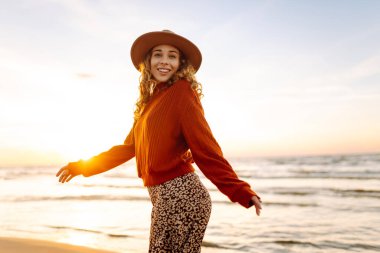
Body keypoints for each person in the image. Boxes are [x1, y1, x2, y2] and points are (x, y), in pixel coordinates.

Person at [56, 30, 262, 252]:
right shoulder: (148, 104)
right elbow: (127, 148)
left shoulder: (182, 92)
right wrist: (82, 167)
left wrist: (241, 191)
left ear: (180, 64)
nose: (164, 61)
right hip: (164, 198)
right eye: (158, 55)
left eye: (172, 56)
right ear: (149, 61)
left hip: (182, 197)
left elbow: (206, 148)